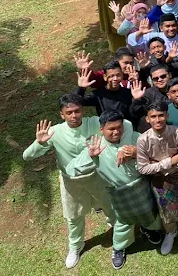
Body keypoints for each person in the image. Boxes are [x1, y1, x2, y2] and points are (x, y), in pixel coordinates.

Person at [22, 94, 119, 269]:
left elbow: (117, 128)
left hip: (97, 176)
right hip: (71, 182)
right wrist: (40, 143)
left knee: (110, 206)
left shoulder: (95, 123)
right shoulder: (54, 132)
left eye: (77, 111)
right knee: (73, 216)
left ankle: (118, 233)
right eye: (69, 112)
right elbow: (27, 156)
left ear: (83, 111)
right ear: (62, 114)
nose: (74, 116)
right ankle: (75, 246)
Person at [67, 110, 163, 270]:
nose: (116, 132)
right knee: (123, 222)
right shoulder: (95, 145)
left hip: (141, 187)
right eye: (111, 129)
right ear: (101, 129)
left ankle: (150, 229)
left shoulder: (134, 137)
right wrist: (90, 156)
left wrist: (136, 153)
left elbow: (157, 153)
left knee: (149, 213)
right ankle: (119, 248)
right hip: (119, 193)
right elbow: (71, 170)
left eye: (119, 127)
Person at [136, 102, 178, 254]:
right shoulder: (143, 140)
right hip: (159, 182)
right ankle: (171, 232)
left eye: (161, 115)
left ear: (167, 116)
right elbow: (142, 168)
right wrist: (170, 162)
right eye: (153, 116)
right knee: (164, 211)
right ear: (147, 119)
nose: (157, 120)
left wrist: (157, 166)